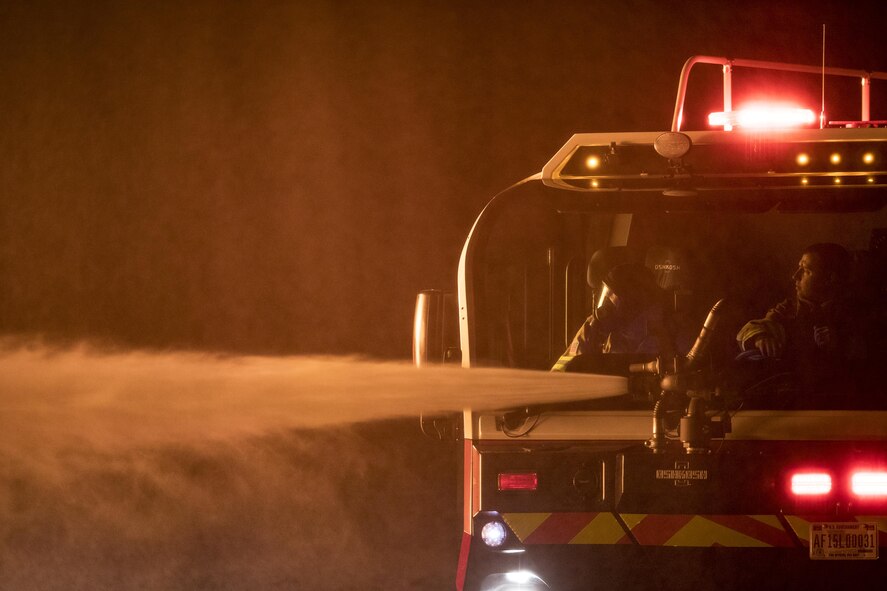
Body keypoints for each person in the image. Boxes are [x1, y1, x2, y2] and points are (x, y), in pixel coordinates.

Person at [735, 243, 870, 397]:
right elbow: (755, 327)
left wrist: (839, 344)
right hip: (797, 401)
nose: (795, 276)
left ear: (830, 278)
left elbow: (869, 357)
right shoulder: (789, 309)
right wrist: (760, 337)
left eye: (806, 271)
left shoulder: (855, 313)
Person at [552, 263, 677, 372]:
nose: (604, 304)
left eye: (611, 296)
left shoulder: (659, 332)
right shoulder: (595, 325)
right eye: (605, 293)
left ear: (630, 302)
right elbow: (560, 369)